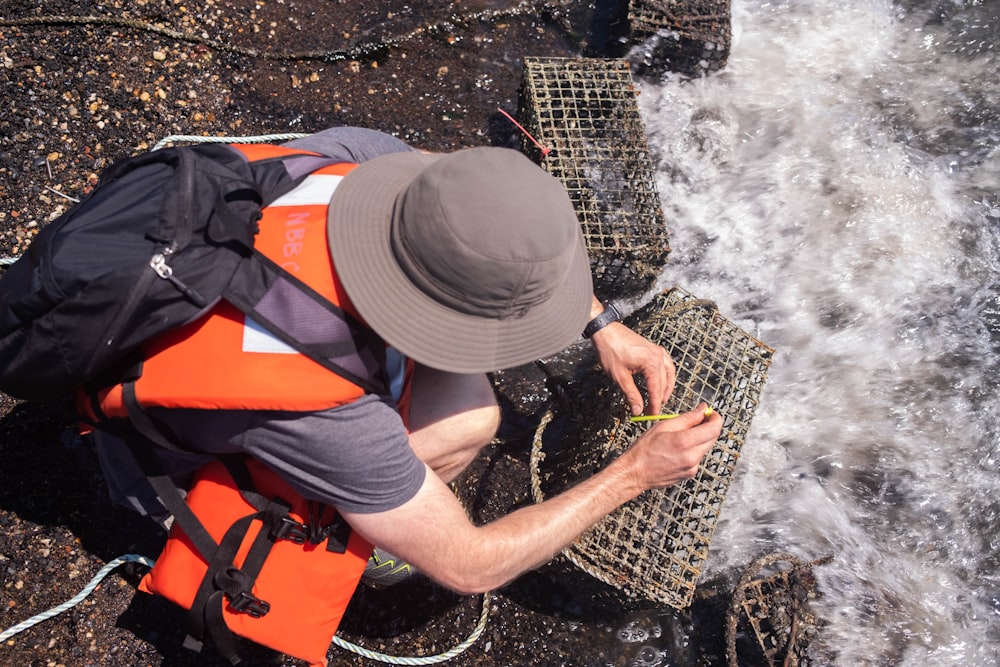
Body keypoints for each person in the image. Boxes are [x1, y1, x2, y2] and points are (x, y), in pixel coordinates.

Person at [93, 126, 723, 595]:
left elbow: (477, 215)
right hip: (175, 458)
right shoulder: (327, 412)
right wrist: (636, 473)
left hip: (169, 300)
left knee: (467, 407)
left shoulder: (364, 161)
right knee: (469, 423)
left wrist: (601, 322)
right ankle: (356, 524)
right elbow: (470, 565)